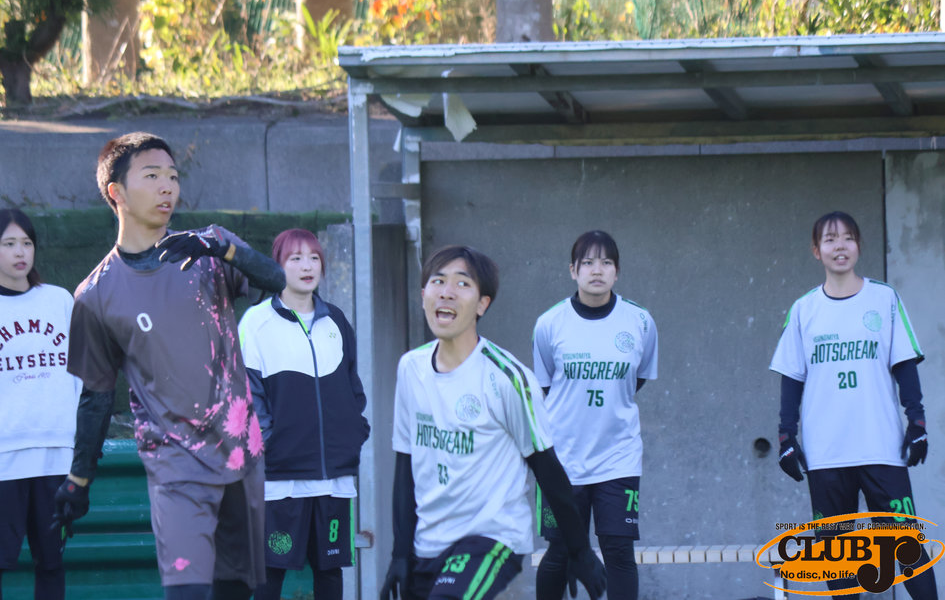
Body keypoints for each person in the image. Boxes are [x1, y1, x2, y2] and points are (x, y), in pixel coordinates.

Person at [51, 132, 286, 600]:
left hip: (242, 456)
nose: (168, 187)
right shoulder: (94, 295)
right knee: (187, 593)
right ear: (116, 192)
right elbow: (97, 396)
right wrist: (79, 480)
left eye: (174, 177)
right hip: (175, 466)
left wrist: (223, 249)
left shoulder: (208, 249)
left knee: (237, 593)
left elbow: (277, 279)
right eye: (153, 176)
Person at [380, 245, 607, 600]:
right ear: (423, 295)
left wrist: (579, 551)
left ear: (482, 304)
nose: (447, 292)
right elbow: (405, 466)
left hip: (491, 538)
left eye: (462, 284)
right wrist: (399, 554)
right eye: (438, 281)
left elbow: (547, 469)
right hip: (428, 544)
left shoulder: (508, 378)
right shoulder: (411, 368)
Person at [770, 211, 937, 599]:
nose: (840, 246)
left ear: (859, 245)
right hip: (826, 455)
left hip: (882, 449)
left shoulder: (884, 298)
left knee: (908, 550)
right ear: (816, 251)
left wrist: (917, 423)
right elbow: (791, 379)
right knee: (840, 561)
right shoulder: (803, 310)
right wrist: (786, 437)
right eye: (830, 239)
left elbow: (904, 365)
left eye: (847, 238)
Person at [238, 228, 370, 600]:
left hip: (333, 478)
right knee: (270, 573)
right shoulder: (256, 322)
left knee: (330, 572)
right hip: (281, 479)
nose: (307, 266)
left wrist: (352, 433)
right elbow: (247, 395)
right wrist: (272, 444)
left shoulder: (336, 321)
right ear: (277, 266)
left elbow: (352, 387)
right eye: (295, 258)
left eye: (314, 258)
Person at [532, 230, 658, 600]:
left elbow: (635, 380)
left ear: (617, 271)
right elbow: (546, 386)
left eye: (606, 262)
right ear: (573, 270)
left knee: (619, 550)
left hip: (618, 457)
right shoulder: (549, 324)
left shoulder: (640, 321)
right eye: (587, 262)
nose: (597, 270)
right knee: (560, 551)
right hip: (562, 458)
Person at [0, 209, 82, 600]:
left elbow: (82, 373)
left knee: (51, 564)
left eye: (27, 243)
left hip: (55, 456)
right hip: (5, 458)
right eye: (9, 243)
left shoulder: (59, 301)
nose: (21, 252)